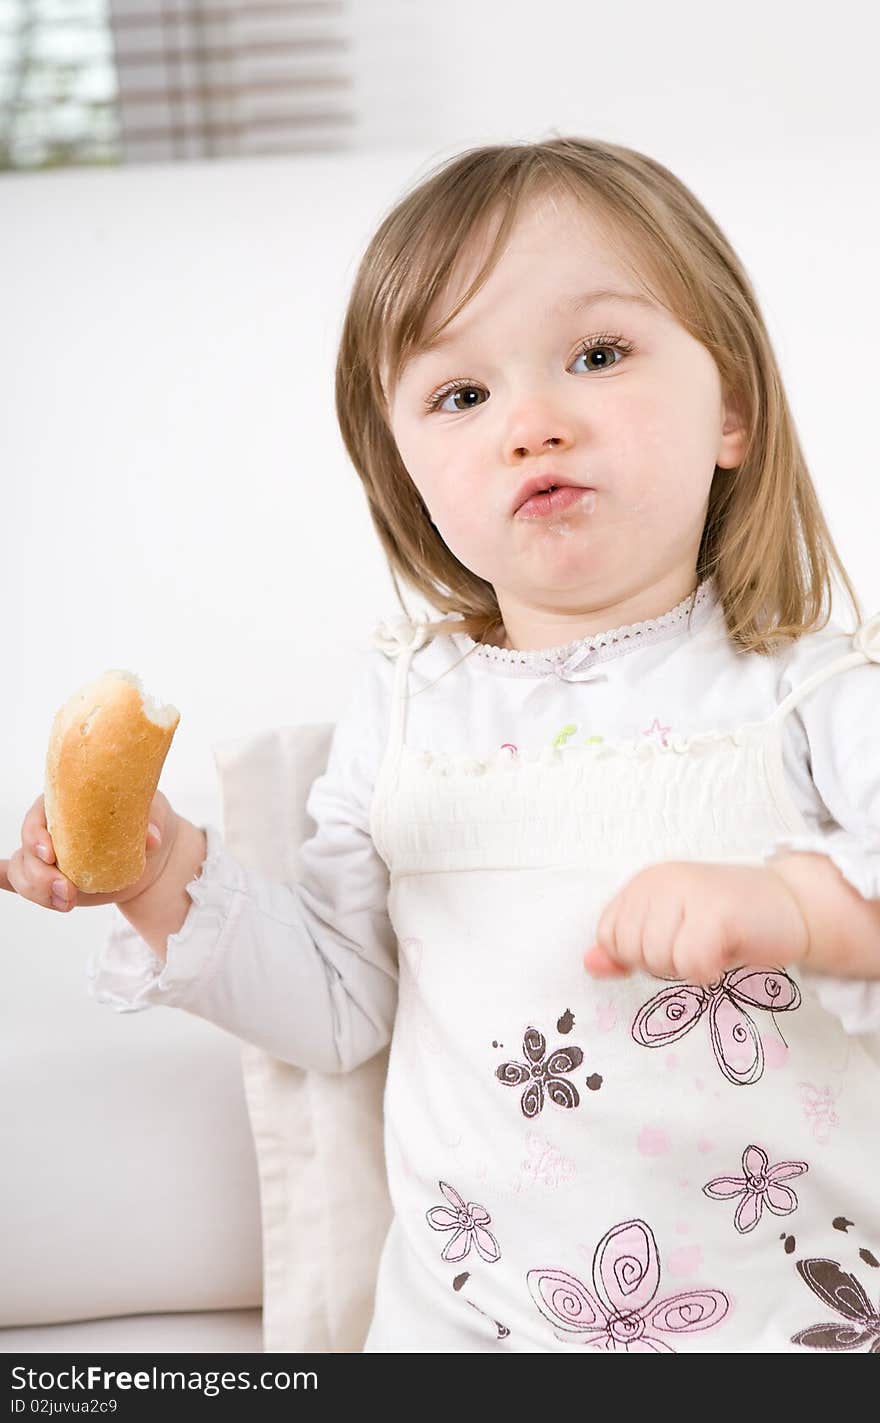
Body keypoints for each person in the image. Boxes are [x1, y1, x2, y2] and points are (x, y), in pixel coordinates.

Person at [4, 136, 880, 1353]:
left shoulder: (817, 695)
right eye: (461, 394)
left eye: (598, 354)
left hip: (786, 1328)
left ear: (729, 407)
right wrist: (156, 876)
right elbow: (334, 1005)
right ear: (406, 474)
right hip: (471, 1335)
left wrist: (801, 911)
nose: (533, 422)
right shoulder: (410, 714)